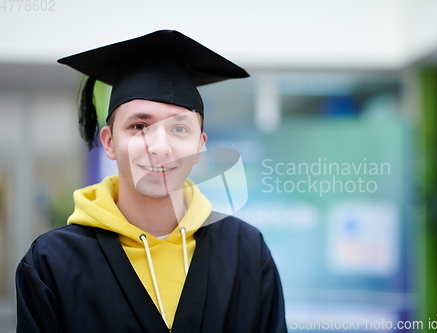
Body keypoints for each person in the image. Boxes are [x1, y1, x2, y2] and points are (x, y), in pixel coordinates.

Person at [15, 30, 287, 333]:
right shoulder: (52, 262)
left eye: (180, 129)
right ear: (109, 142)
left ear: (200, 145)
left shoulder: (245, 252)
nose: (160, 147)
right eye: (139, 125)